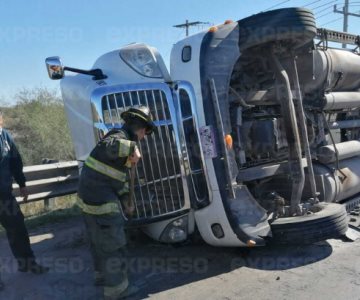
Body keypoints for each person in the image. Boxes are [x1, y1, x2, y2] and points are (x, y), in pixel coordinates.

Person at [77, 106, 155, 300]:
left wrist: (126, 201)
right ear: (142, 129)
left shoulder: (121, 142)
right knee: (113, 243)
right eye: (145, 134)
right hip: (101, 201)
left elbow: (118, 179)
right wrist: (132, 147)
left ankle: (102, 276)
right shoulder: (118, 137)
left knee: (99, 241)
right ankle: (117, 290)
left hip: (89, 199)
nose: (144, 138)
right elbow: (109, 146)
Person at [0, 110, 49, 275]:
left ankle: (28, 263)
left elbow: (15, 160)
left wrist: (22, 184)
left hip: (5, 196)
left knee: (18, 229)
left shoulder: (5, 136)